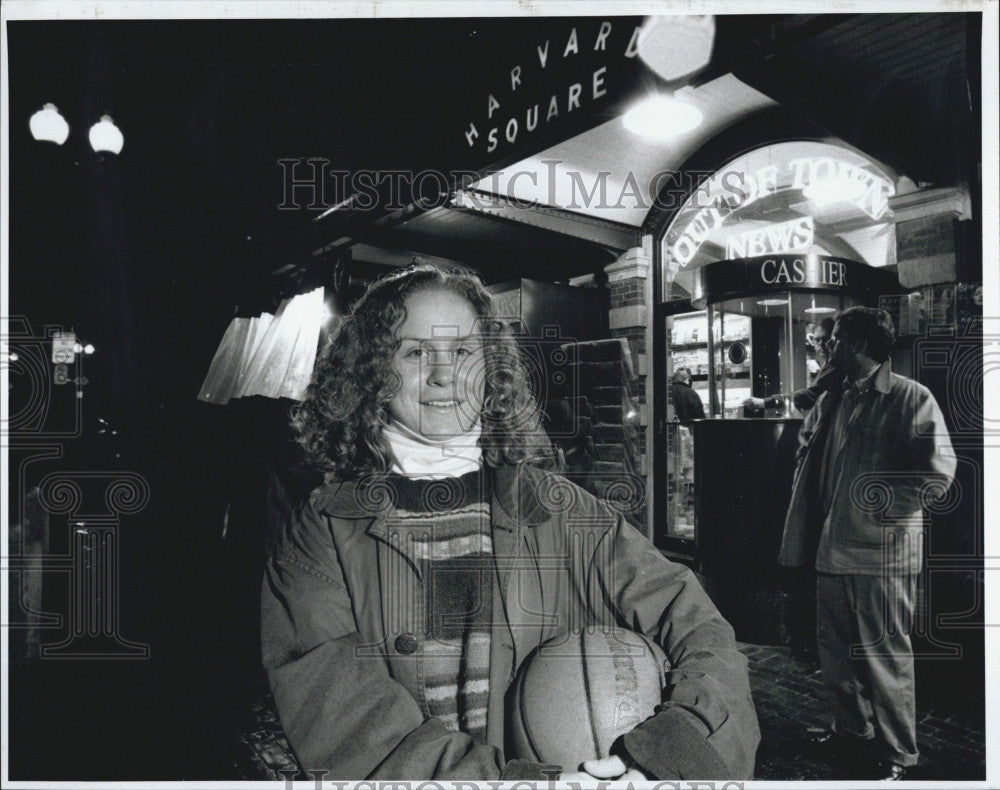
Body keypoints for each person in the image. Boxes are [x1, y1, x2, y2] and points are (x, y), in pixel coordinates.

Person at [261, 262, 759, 781]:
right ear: (370, 373)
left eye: (462, 351)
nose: (443, 373)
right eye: (413, 352)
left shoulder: (560, 509)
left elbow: (699, 628)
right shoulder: (322, 532)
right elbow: (345, 720)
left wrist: (669, 751)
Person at [777, 307, 955, 780]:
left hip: (881, 554)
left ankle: (899, 754)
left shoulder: (909, 397)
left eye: (834, 340)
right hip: (831, 548)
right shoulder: (835, 397)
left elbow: (937, 475)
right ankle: (852, 732)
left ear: (855, 345)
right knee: (835, 653)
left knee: (884, 658)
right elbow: (805, 445)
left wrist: (876, 511)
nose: (826, 347)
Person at [744, 317, 839, 415]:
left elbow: (811, 395)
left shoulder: (834, 365)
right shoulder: (828, 364)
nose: (822, 344)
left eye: (826, 339)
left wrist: (767, 402)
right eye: (817, 340)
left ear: (835, 340)